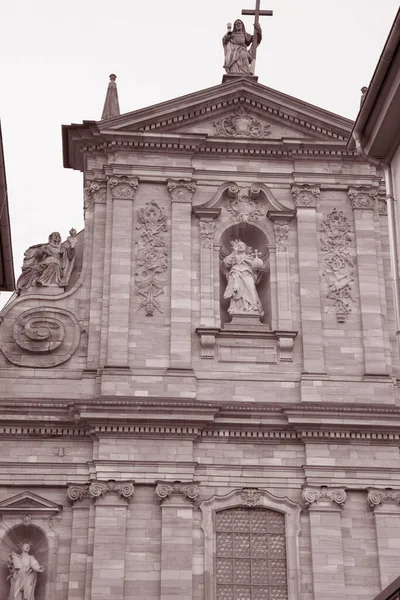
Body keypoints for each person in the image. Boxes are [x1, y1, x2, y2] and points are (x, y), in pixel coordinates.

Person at [16, 229, 77, 294]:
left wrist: (72, 242)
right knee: (37, 270)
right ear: (51, 238)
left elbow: (70, 256)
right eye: (55, 235)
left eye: (58, 236)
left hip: (55, 264)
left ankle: (42, 281)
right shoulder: (46, 246)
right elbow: (38, 254)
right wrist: (43, 251)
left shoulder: (62, 249)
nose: (57, 237)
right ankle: (38, 281)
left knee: (53, 265)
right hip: (45, 263)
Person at [223, 239, 264, 315]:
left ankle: (252, 307)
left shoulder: (250, 257)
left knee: (251, 289)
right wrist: (233, 253)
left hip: (247, 274)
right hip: (236, 273)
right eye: (238, 246)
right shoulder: (233, 256)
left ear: (246, 248)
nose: (240, 246)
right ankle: (238, 309)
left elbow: (256, 268)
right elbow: (226, 263)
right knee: (236, 290)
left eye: (242, 245)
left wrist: (260, 266)